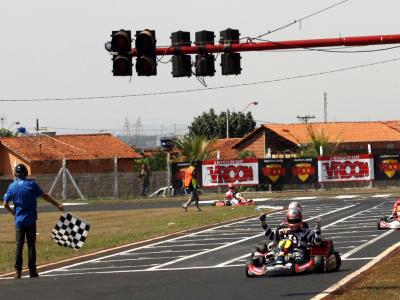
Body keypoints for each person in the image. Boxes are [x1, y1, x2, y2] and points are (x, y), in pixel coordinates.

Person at [3, 163, 64, 279]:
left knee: (19, 245)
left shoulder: (12, 186)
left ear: (16, 174)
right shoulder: (31, 184)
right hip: (30, 220)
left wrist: (13, 213)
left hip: (19, 221)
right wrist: (57, 204)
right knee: (31, 245)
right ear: (26, 173)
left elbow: (5, 203)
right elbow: (44, 195)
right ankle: (32, 271)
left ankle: (18, 271)